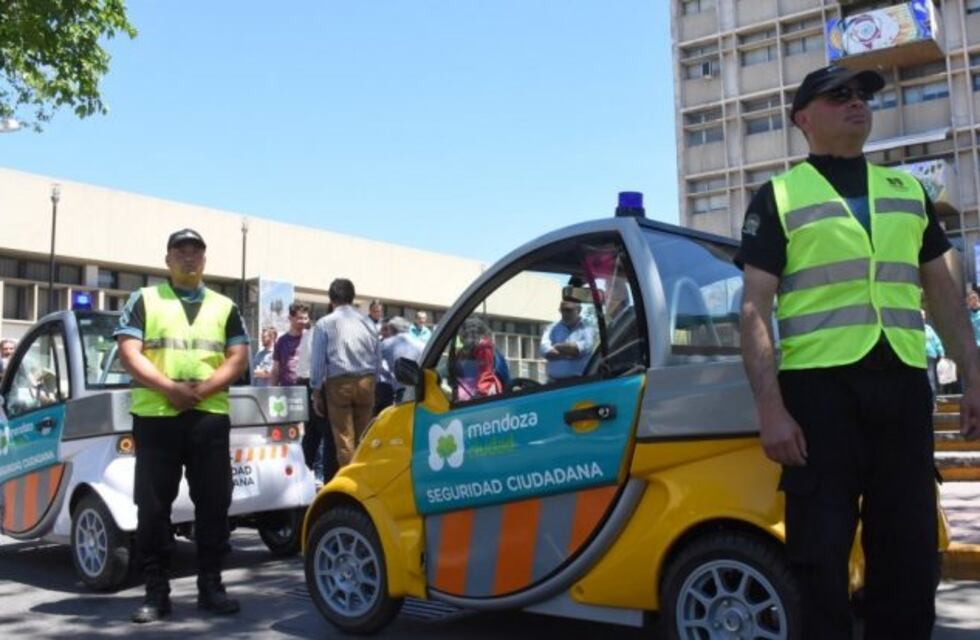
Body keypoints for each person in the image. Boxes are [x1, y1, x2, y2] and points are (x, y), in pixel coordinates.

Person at [738, 65, 980, 640]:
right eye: (838, 95)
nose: (857, 103)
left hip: (900, 386)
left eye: (864, 95)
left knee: (911, 551)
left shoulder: (908, 193)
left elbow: (942, 295)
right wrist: (771, 409)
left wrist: (973, 377)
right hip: (818, 396)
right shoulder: (778, 197)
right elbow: (753, 309)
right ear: (803, 118)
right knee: (819, 558)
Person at [115, 228, 249, 624]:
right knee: (152, 508)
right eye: (180, 250)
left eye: (196, 251)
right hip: (157, 417)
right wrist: (169, 389)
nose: (189, 256)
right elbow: (128, 352)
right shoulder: (144, 299)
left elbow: (238, 357)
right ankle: (156, 592)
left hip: (208, 419)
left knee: (214, 502)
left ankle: (212, 585)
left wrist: (201, 390)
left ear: (205, 260)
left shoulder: (225, 306)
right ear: (168, 259)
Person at [310, 279, 380, 468]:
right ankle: (365, 479)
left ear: (331, 299)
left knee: (344, 440)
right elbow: (377, 355)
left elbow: (317, 360)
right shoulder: (368, 322)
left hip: (339, 384)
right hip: (367, 381)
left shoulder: (324, 323)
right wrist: (376, 382)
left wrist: (316, 390)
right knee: (363, 437)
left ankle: (350, 485)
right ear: (352, 297)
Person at [453, 317, 510, 401]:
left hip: (478, 396)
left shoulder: (484, 348)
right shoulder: (483, 348)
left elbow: (485, 373)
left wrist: (481, 393)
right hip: (474, 396)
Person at [539, 299, 595, 382]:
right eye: (562, 310)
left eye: (568, 310)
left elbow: (585, 348)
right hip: (553, 383)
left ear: (579, 310)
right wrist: (571, 354)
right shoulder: (552, 328)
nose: (564, 314)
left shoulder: (587, 327)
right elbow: (544, 350)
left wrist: (557, 346)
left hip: (579, 382)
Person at [376, 316, 423, 413]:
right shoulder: (421, 344)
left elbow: (373, 362)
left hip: (402, 389)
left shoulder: (386, 344)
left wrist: (388, 375)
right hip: (422, 390)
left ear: (391, 329)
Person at [924, 310, 944, 398]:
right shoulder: (913, 328)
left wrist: (941, 352)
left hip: (930, 355)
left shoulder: (928, 328)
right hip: (917, 356)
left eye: (923, 316)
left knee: (930, 377)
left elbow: (936, 341)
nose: (922, 317)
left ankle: (933, 398)